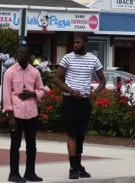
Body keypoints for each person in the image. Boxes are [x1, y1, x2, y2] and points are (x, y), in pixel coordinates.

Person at [53, 35, 107, 180]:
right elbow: (57, 78)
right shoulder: (67, 58)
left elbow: (103, 80)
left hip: (84, 102)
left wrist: (95, 93)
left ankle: (78, 166)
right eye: (74, 42)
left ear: (85, 44)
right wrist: (70, 90)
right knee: (72, 134)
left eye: (78, 43)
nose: (75, 45)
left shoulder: (93, 59)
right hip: (70, 100)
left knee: (80, 135)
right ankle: (72, 168)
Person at [3, 45, 47, 182]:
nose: (20, 54)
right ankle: (14, 174)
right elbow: (6, 95)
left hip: (32, 113)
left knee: (31, 144)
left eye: (23, 52)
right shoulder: (10, 72)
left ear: (29, 56)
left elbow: (42, 90)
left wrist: (33, 93)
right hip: (16, 114)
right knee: (15, 144)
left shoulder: (35, 72)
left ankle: (30, 172)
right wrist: (10, 117)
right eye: (19, 52)